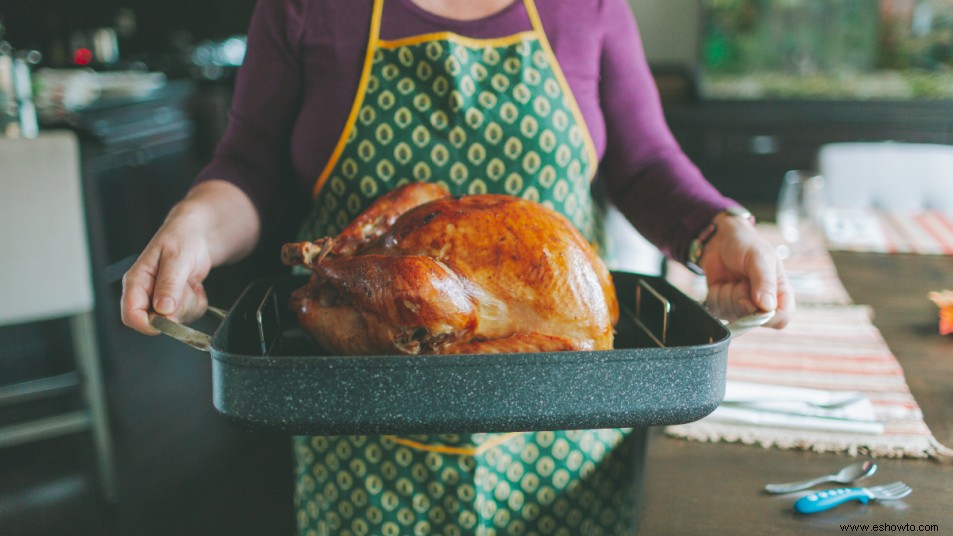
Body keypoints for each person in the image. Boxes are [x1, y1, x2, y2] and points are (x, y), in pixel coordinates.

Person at [122, 0, 794, 533]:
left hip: (560, 435)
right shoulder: (306, 9)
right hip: (364, 433)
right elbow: (251, 166)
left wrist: (717, 229)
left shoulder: (586, 5)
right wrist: (195, 225)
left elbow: (644, 164)